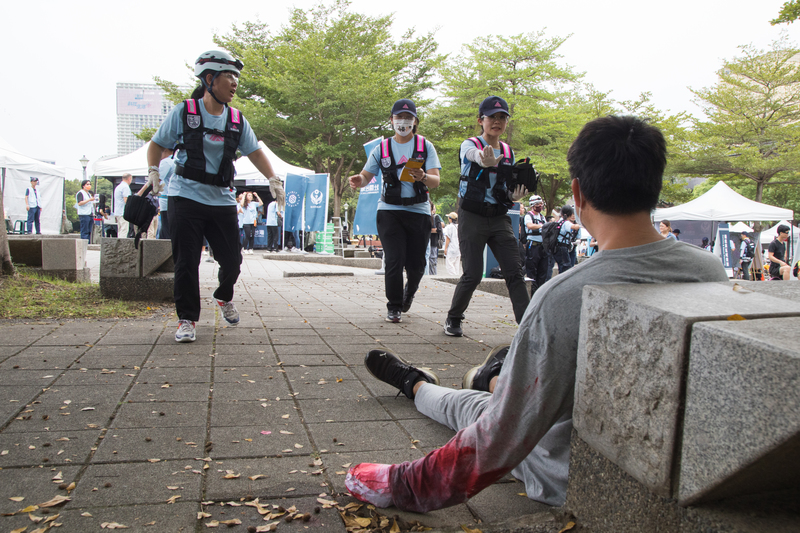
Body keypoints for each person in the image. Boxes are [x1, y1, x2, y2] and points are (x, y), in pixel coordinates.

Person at [346, 115, 729, 513]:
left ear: (577, 193)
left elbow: (499, 437)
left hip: (566, 472)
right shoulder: (710, 272)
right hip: (677, 465)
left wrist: (403, 484)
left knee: (471, 409)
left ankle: (420, 384)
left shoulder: (565, 296)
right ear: (655, 187)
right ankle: (494, 375)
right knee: (518, 387)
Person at [146, 50, 283, 343]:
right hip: (185, 198)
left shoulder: (236, 119)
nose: (235, 83)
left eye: (236, 77)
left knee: (232, 261)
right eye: (229, 77)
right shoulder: (184, 112)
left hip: (221, 199)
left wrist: (273, 179)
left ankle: (223, 296)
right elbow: (157, 144)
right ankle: (187, 319)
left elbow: (255, 151)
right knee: (186, 262)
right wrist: (153, 171)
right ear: (210, 79)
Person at [348, 98, 441, 323]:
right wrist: (357, 180)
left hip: (418, 210)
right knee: (394, 258)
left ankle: (409, 292)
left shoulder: (424, 146)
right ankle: (394, 305)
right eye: (399, 118)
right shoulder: (383, 148)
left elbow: (436, 180)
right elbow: (365, 176)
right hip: (389, 210)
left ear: (415, 121)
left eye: (408, 118)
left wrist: (424, 177)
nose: (403, 122)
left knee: (417, 263)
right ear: (391, 120)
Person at [443, 96, 529, 336]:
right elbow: (472, 155)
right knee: (472, 273)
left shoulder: (509, 151)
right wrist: (483, 159)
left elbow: (506, 185)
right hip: (472, 216)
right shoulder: (469, 143)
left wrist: (514, 195)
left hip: (500, 217)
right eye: (493, 117)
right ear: (481, 120)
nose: (497, 122)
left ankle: (528, 326)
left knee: (515, 272)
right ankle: (453, 318)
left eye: (502, 117)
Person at [524, 195, 549, 294]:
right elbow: (529, 226)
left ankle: (539, 293)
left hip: (543, 247)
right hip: (533, 246)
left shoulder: (542, 217)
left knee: (543, 271)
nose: (540, 206)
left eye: (541, 204)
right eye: (538, 204)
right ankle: (532, 294)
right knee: (532, 271)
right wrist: (542, 226)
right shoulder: (528, 216)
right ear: (532, 205)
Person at [553, 205, 582, 274]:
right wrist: (580, 225)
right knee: (566, 267)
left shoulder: (559, 221)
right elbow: (574, 227)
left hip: (557, 247)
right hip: (563, 247)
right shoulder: (566, 222)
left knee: (562, 266)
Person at [157, 148, 176, 239]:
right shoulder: (175, 161)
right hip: (174, 201)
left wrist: (140, 194)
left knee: (166, 233)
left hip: (166, 202)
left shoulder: (166, 162)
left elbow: (155, 180)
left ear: (164, 150)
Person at [113, 174, 133, 238]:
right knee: (124, 230)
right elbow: (126, 200)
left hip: (118, 211)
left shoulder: (118, 187)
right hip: (123, 212)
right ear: (129, 179)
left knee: (120, 230)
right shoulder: (125, 187)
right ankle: (122, 245)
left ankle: (119, 244)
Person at [443, 212, 461, 277]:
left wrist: (445, 248)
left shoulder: (449, 227)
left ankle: (453, 277)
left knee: (449, 265)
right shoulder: (459, 226)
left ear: (450, 218)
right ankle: (457, 277)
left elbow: (448, 238)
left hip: (451, 248)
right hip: (458, 248)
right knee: (456, 265)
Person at [428, 201, 443, 275]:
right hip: (426, 242)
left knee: (432, 259)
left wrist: (429, 230)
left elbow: (439, 229)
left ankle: (433, 275)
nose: (434, 210)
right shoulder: (425, 216)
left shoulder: (436, 217)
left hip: (433, 242)